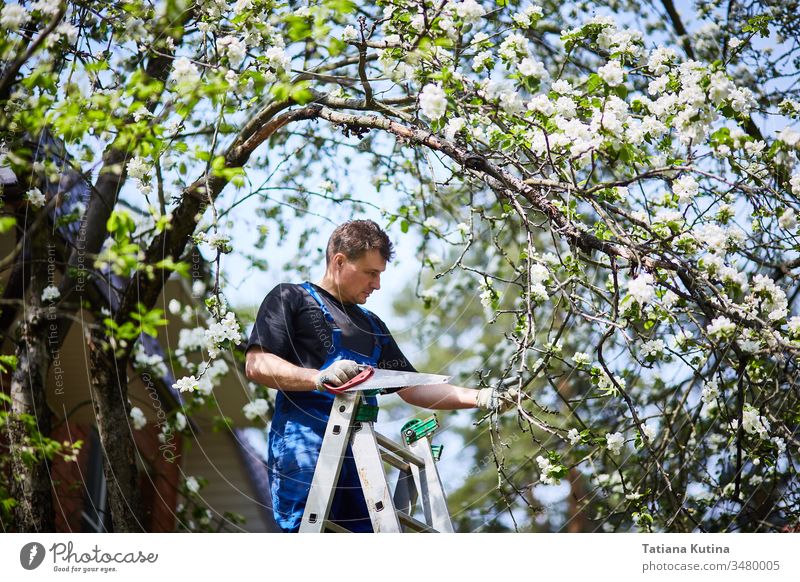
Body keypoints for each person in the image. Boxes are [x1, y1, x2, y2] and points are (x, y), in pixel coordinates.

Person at [244, 219, 515, 532]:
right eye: (371, 273)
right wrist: (318, 378)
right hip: (306, 448)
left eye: (380, 275)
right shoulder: (290, 299)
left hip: (360, 454)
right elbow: (257, 363)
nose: (377, 285)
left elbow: (412, 388)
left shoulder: (372, 326)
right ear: (339, 261)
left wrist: (481, 397)